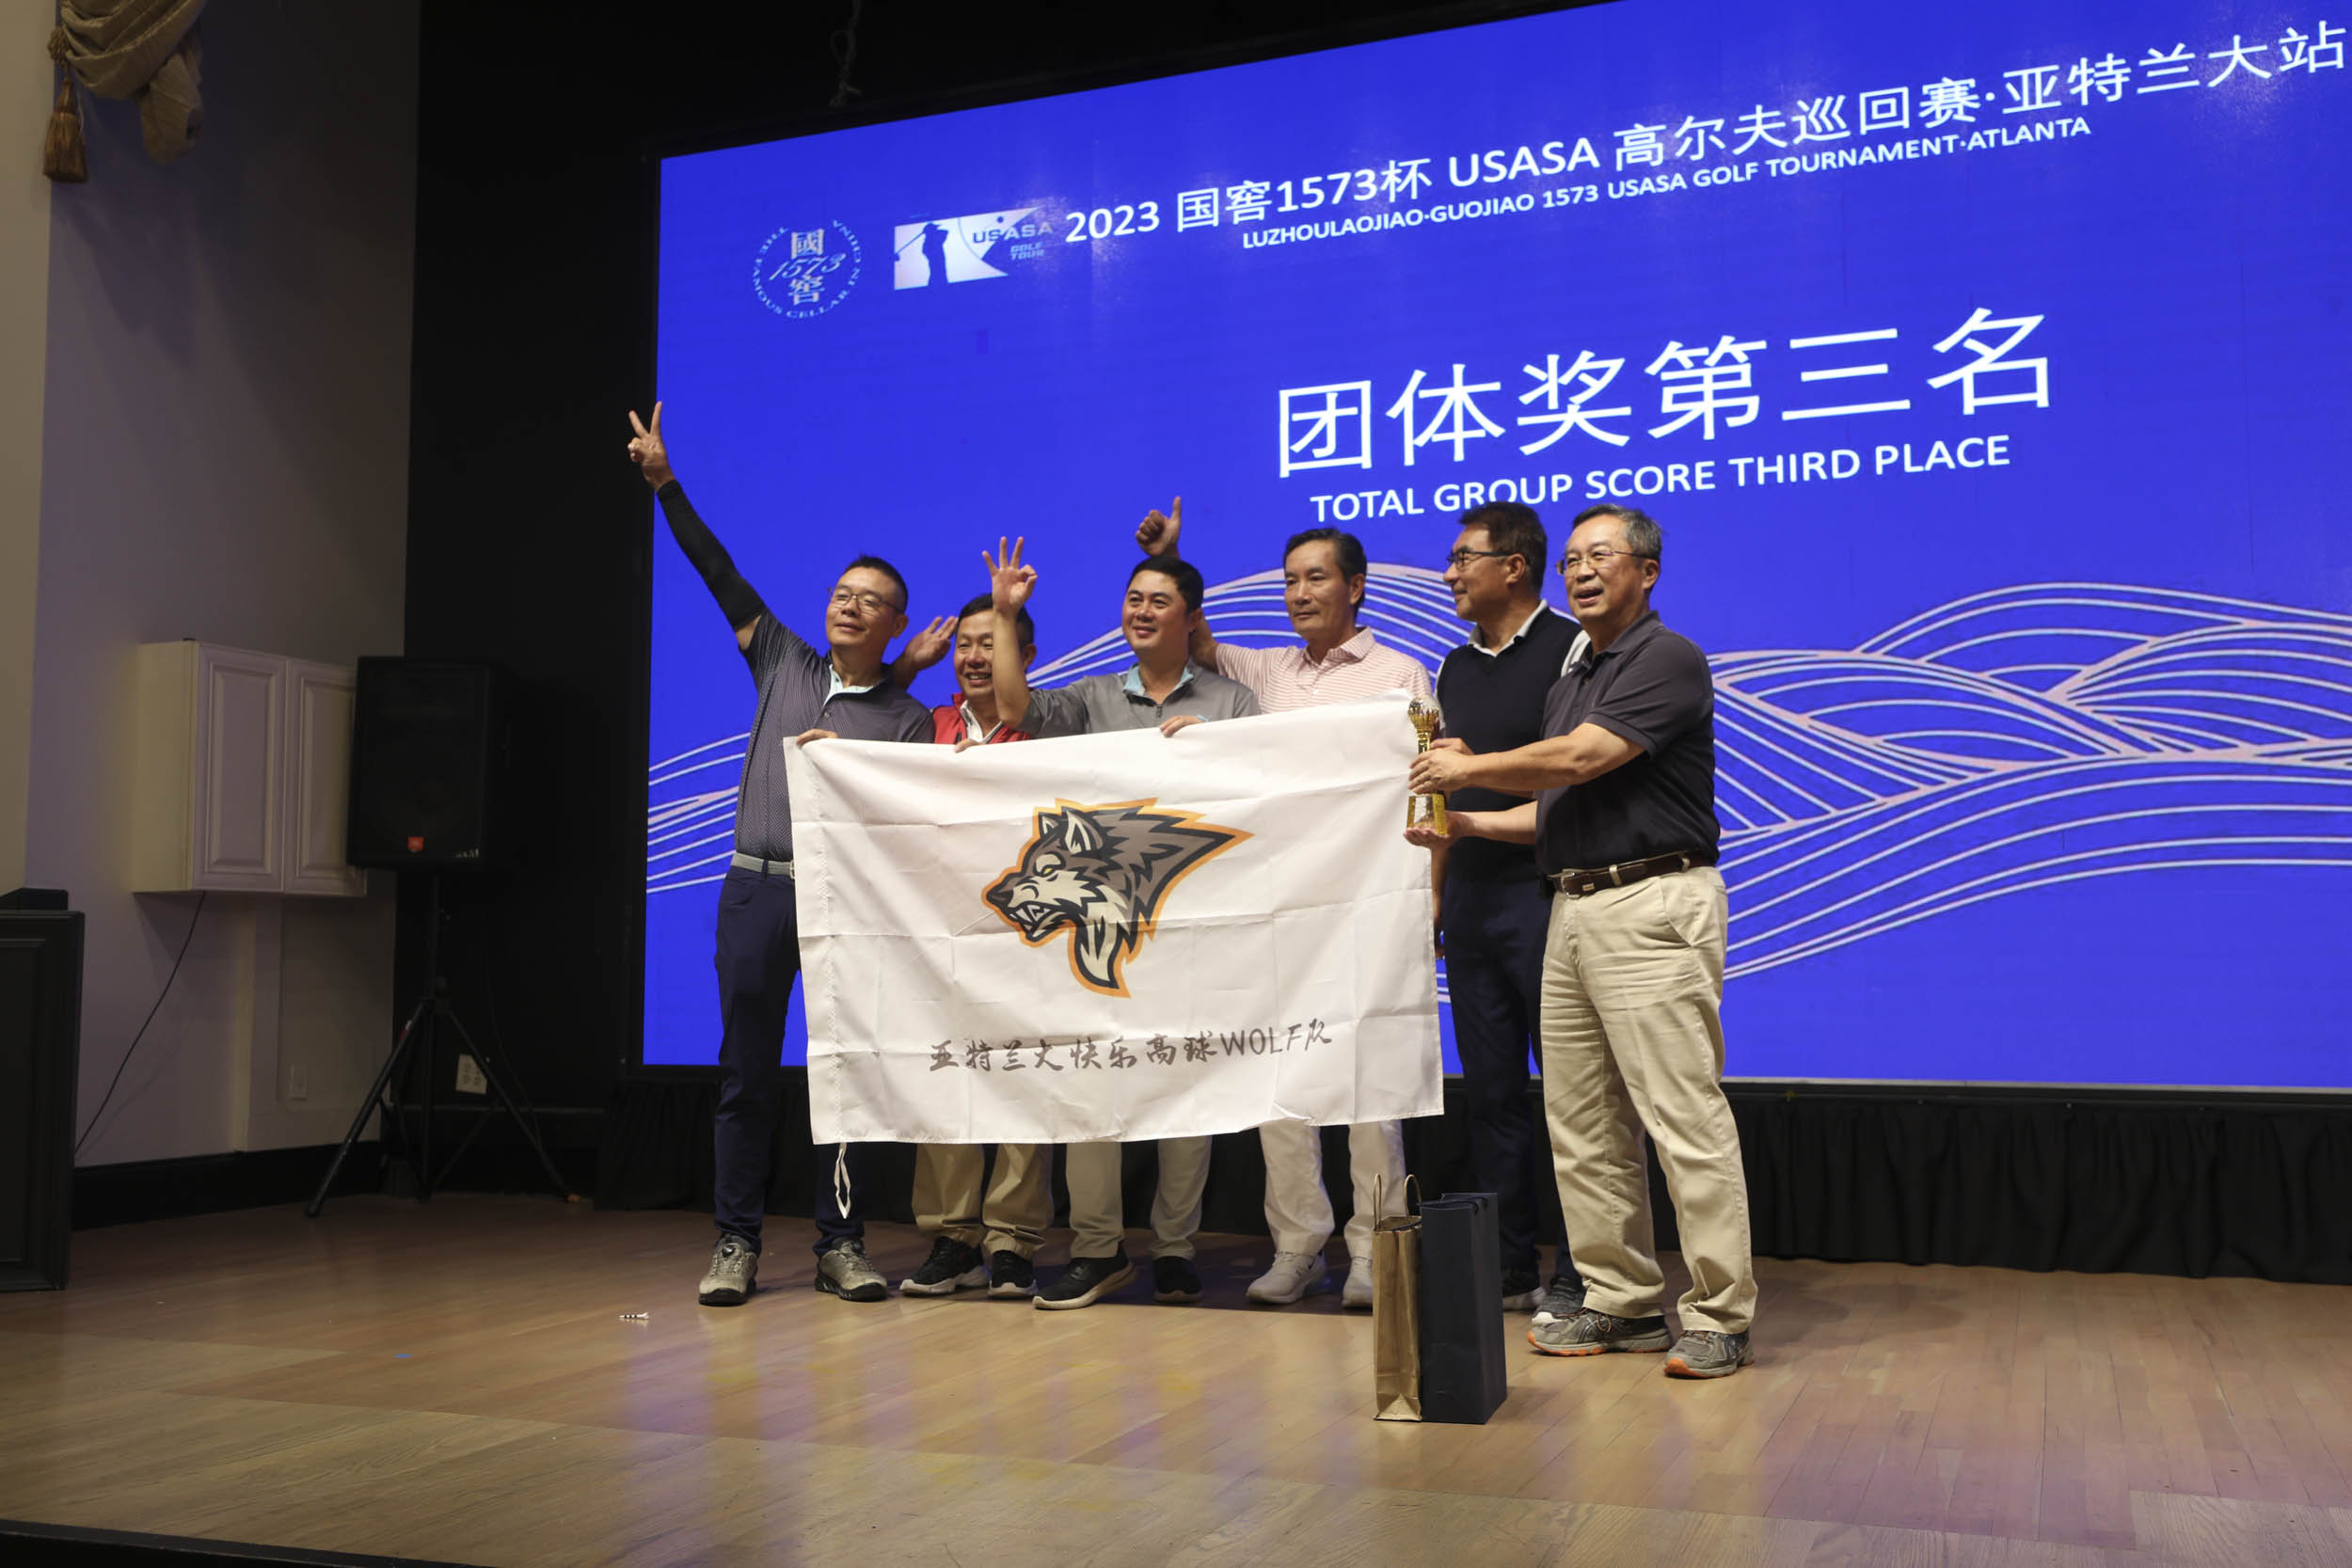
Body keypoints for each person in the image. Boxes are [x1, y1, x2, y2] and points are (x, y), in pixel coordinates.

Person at [1406, 503, 1755, 1379]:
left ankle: (1720, 1313)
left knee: (1681, 1116)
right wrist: (1465, 820)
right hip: (1570, 902)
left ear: (1647, 571)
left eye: (1601, 555)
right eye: (1571, 559)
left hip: (1651, 901)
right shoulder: (1574, 677)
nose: (1582, 571)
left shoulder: (1667, 658)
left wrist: (1465, 768)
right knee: (1584, 1123)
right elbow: (1552, 806)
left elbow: (1579, 759)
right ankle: (1621, 1298)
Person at [627, 404, 942, 1309]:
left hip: (844, 906)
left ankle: (842, 1245)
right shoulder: (782, 661)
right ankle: (736, 1241)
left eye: (869, 599)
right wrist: (665, 484)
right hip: (755, 892)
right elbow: (718, 571)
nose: (848, 603)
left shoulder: (907, 719)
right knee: (746, 1076)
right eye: (841, 591)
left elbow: (903, 825)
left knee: (843, 1079)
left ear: (896, 623)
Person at [1136, 499, 1423, 1310]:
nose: (1299, 593)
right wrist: (1173, 556)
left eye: (1316, 578)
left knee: (1368, 1086)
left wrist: (1427, 892)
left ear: (1355, 587)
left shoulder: (1401, 675)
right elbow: (1193, 640)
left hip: (1367, 900)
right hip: (1279, 902)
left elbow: (1423, 784)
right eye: (1291, 580)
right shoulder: (1265, 672)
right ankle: (1298, 1245)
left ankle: (1374, 1250)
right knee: (1281, 1078)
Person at [984, 535, 1262, 1310]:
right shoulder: (1094, 697)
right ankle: (1097, 1247)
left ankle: (1174, 1248)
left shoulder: (1232, 703)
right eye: (1133, 598)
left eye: (1158, 601)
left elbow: (1261, 796)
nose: (1140, 611)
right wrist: (1005, 615)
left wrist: (1213, 755)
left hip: (1197, 922)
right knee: (1091, 1085)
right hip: (1104, 933)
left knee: (1189, 1087)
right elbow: (1014, 709)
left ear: (1191, 617)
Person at [1431, 502, 1587, 1323]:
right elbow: (1444, 792)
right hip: (1471, 898)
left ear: (1514, 566)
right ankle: (1509, 1261)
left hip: (1545, 891)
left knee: (1571, 1092)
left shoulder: (1572, 650)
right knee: (1490, 1092)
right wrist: (1436, 893)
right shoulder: (1454, 667)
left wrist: (1473, 785)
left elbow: (1570, 780)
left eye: (1464, 558)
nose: (1450, 573)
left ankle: (1583, 1268)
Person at [898, 593, 1054, 1299]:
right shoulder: (925, 726)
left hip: (1025, 935)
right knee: (946, 1077)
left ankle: (1013, 1240)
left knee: (1023, 1079)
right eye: (966, 643)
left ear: (1025, 654)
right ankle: (953, 1237)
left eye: (992, 642)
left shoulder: (1048, 731)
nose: (974, 656)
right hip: (940, 934)